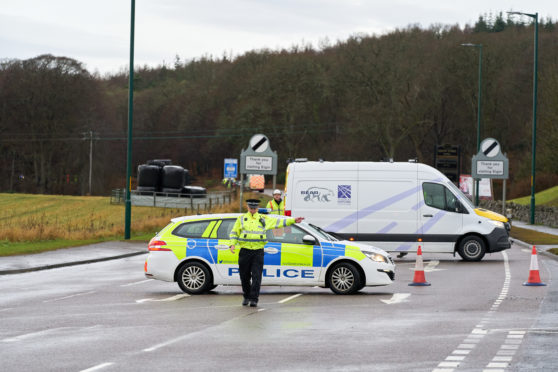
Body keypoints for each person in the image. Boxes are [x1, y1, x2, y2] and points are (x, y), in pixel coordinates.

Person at [229, 198, 304, 307]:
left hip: (258, 252)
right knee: (244, 277)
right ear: (247, 207)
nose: (252, 210)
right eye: (251, 208)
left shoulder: (263, 219)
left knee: (256, 276)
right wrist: (232, 244)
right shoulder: (241, 219)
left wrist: (293, 220)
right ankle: (246, 296)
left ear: (257, 208)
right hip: (244, 251)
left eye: (254, 208)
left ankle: (254, 299)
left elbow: (279, 222)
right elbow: (234, 232)